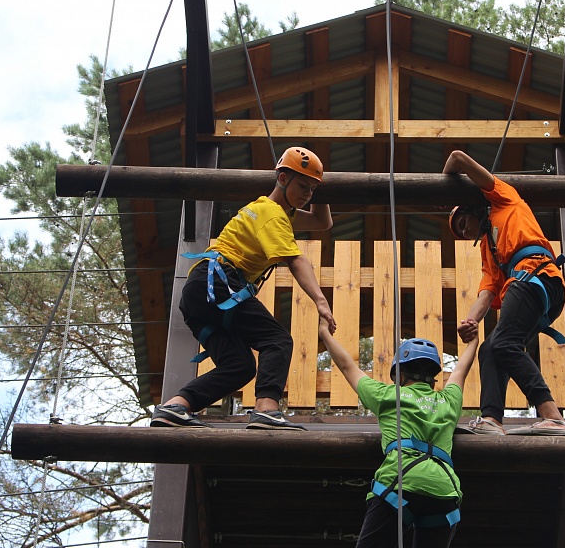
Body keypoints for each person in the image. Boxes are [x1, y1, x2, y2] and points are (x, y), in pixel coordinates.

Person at [151, 146, 337, 431]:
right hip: (218, 281)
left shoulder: (275, 213)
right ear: (283, 178)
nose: (307, 195)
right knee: (277, 340)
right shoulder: (272, 213)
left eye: (311, 190)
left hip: (200, 292)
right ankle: (266, 409)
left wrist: (318, 189)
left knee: (240, 365)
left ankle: (176, 407)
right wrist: (321, 301)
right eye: (303, 186)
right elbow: (296, 259)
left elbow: (323, 223)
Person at [443, 149, 565, 437]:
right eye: (460, 233)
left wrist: (443, 186)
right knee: (491, 348)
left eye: (463, 224)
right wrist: (471, 321)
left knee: (503, 343)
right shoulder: (489, 252)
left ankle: (552, 416)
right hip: (533, 286)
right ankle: (491, 419)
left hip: (536, 274)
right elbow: (487, 292)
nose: (465, 233)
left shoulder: (504, 200)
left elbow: (458, 157)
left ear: (475, 209)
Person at [319, 318, 478, 548]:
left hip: (401, 482)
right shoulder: (448, 401)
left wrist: (325, 333)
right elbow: (461, 370)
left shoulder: (389, 396)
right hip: (444, 490)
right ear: (433, 378)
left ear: (400, 376)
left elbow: (347, 366)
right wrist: (473, 341)